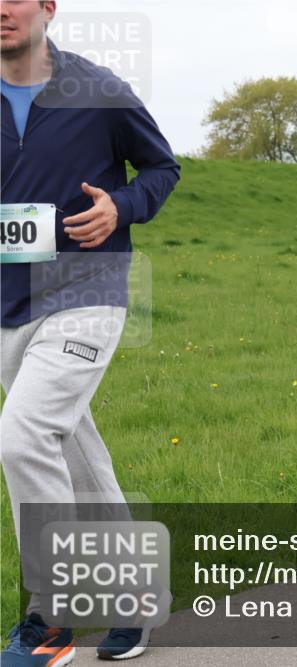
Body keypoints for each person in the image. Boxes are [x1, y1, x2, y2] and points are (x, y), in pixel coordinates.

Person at [1, 1, 180, 663]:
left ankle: (53, 615)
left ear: (48, 7)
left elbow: (162, 168)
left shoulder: (99, 91)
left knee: (23, 435)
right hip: (7, 307)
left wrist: (121, 207)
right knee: (73, 449)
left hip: (86, 293)